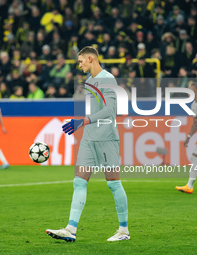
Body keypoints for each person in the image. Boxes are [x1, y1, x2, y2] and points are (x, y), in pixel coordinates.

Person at [46, 46, 129, 242]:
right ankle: (70, 229)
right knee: (79, 181)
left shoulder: (107, 79)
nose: (79, 64)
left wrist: (82, 121)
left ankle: (124, 230)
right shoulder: (90, 81)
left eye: (81, 61)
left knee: (114, 184)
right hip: (89, 139)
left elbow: (110, 111)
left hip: (106, 138)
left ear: (91, 58)